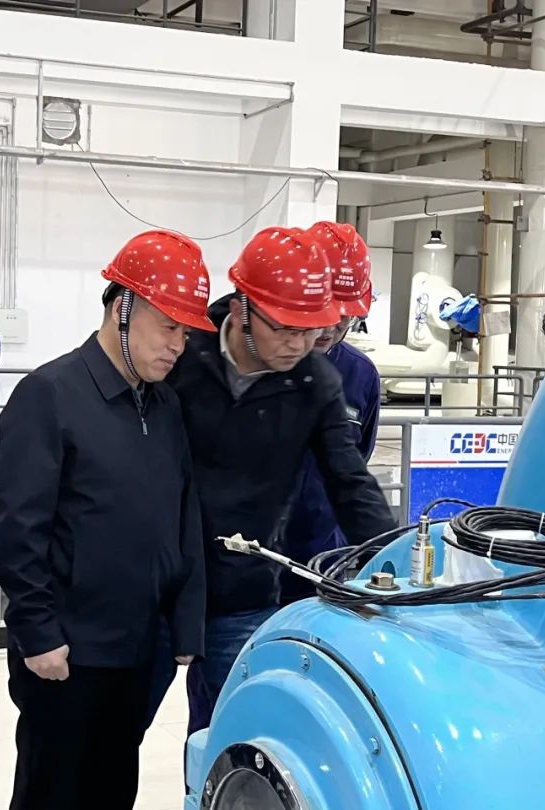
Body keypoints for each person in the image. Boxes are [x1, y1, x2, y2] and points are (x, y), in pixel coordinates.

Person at [146, 225, 398, 737]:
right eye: (284, 329)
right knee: (110, 733)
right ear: (243, 309)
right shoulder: (183, 352)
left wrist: (394, 561)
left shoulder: (315, 382)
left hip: (242, 588)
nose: (300, 344)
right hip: (154, 579)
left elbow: (350, 480)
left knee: (231, 730)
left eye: (311, 329)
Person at [0, 230, 213, 810]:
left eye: (186, 333)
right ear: (123, 308)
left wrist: (185, 622)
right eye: (168, 327)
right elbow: (19, 528)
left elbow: (182, 516)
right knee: (52, 793)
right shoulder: (48, 395)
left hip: (139, 649)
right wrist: (38, 633)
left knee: (114, 791)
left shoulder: (164, 405)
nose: (178, 346)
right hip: (67, 654)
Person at [280, 221, 382, 605]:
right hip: (240, 566)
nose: (332, 326)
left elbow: (354, 467)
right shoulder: (257, 362)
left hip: (321, 565)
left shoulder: (360, 376)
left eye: (347, 315)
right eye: (326, 308)